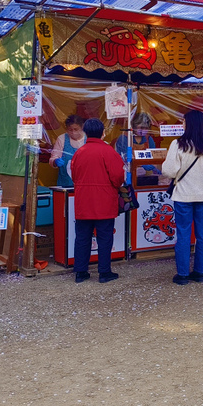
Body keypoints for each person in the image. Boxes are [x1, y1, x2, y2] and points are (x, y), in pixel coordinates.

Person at [162, 109, 203, 285]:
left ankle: (183, 274)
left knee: (184, 234)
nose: (182, 125)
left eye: (184, 122)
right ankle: (200, 272)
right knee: (202, 234)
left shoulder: (178, 144)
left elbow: (169, 170)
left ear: (189, 124)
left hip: (183, 195)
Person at [70, 118, 125, 283]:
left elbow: (74, 176)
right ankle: (104, 272)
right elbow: (118, 177)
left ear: (85, 132)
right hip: (104, 201)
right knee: (105, 238)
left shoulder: (79, 152)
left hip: (83, 201)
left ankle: (80, 272)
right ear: (103, 132)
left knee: (82, 237)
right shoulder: (109, 152)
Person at [115, 111, 160, 185]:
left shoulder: (149, 139)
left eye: (146, 128)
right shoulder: (124, 139)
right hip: (128, 176)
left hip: (146, 177)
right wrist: (140, 165)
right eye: (141, 128)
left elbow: (154, 157)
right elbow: (123, 158)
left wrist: (151, 167)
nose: (143, 130)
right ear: (134, 126)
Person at [50, 114, 86, 187]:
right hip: (65, 181)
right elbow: (53, 157)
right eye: (70, 130)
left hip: (85, 181)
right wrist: (55, 161)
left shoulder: (88, 138)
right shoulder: (62, 139)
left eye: (76, 129)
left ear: (82, 127)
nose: (73, 132)